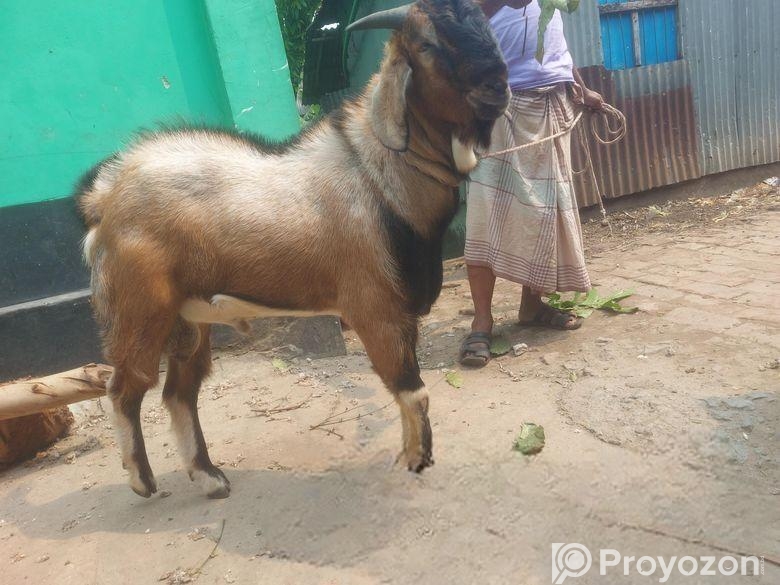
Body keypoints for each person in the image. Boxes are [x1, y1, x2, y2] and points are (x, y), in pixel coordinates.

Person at [459, 0, 604, 367]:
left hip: (552, 106)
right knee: (485, 217)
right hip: (498, 110)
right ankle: (482, 321)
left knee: (543, 213)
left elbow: (558, 47)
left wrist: (581, 88)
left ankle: (531, 305)